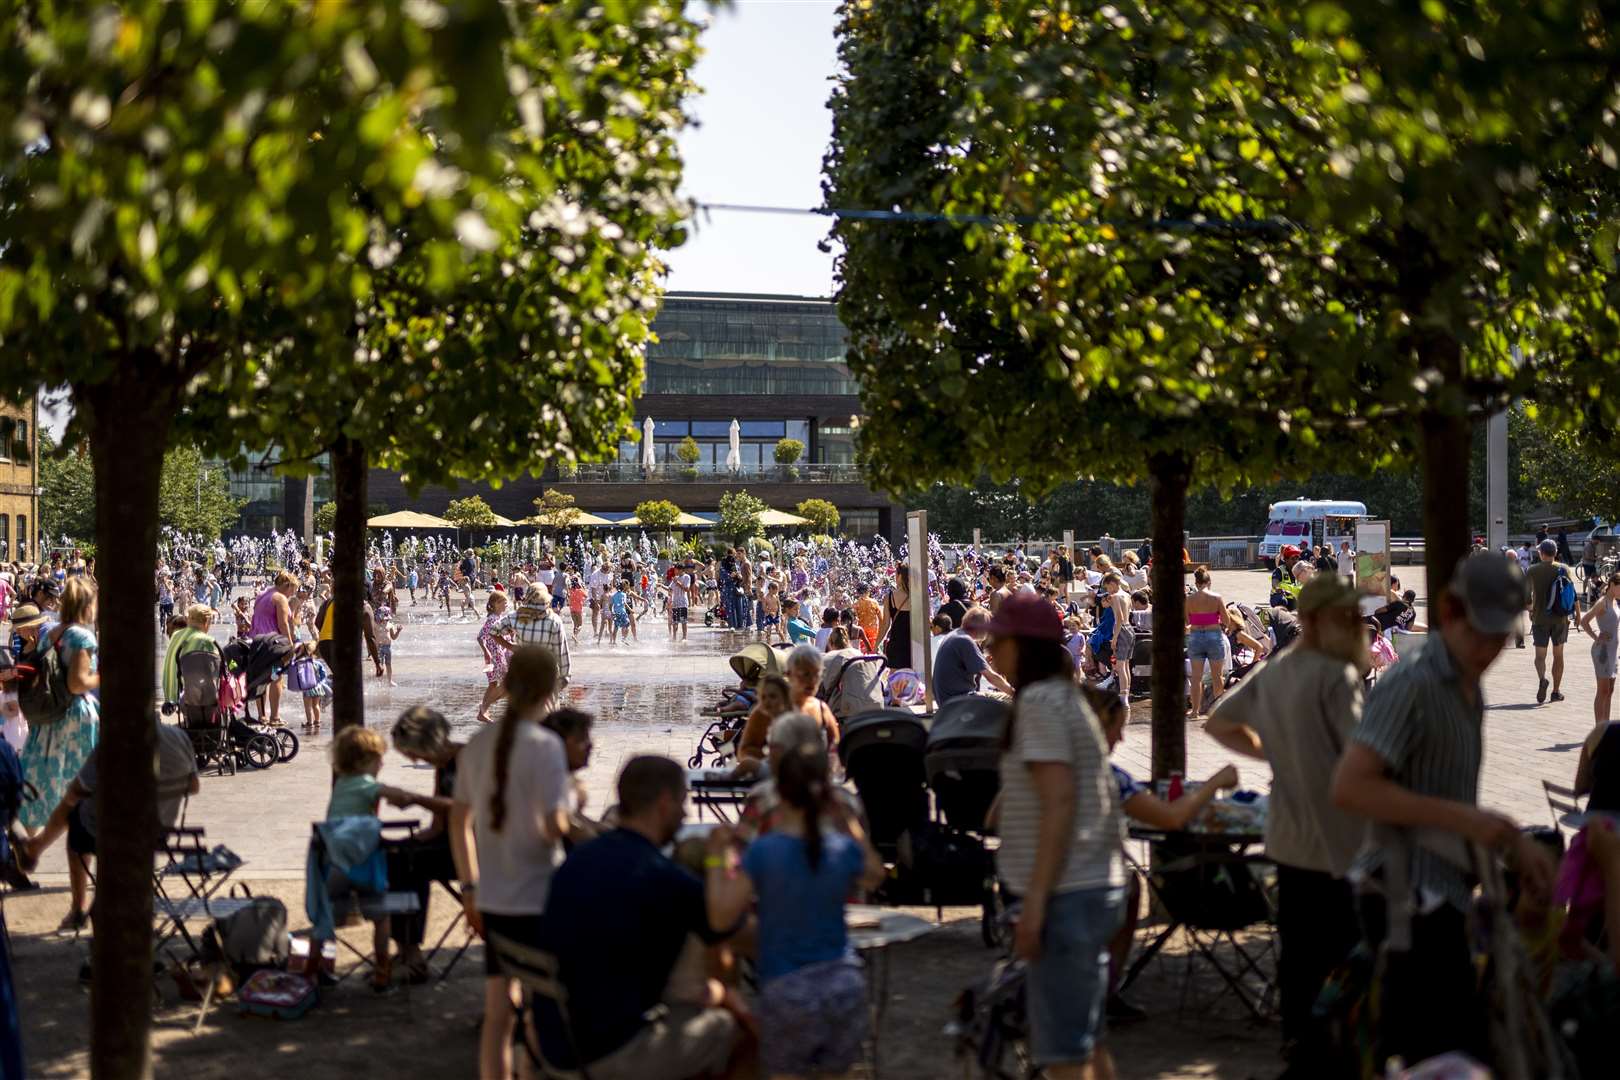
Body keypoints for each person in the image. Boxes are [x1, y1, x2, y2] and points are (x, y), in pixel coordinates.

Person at [1331, 554, 1556, 1070]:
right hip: (1404, 899)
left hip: (1440, 895)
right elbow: (1350, 786)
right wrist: (1470, 823)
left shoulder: (1464, 684)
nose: (1490, 650)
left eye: (1501, 636)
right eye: (1482, 633)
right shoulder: (1414, 681)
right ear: (1451, 610)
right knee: (1440, 1054)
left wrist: (1506, 842)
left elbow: (1446, 798)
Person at [1203, 573, 1371, 1073]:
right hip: (1339, 841)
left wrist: (1271, 752)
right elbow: (1363, 755)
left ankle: (1299, 1048)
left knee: (1297, 956)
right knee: (1343, 957)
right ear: (1323, 620)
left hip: (1286, 838)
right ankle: (1334, 1055)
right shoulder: (1334, 677)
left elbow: (1217, 721)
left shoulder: (1278, 669)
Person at [537, 757, 742, 1080]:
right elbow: (725, 929)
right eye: (682, 803)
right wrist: (720, 858)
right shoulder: (665, 878)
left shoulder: (578, 859)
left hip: (554, 1039)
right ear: (664, 803)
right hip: (607, 1051)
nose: (685, 814)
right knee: (730, 1028)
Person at [990, 591, 1124, 1080]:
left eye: (999, 640)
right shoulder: (1066, 697)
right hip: (1090, 884)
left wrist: (1037, 904)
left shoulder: (1041, 702)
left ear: (1023, 645)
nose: (990, 651)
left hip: (1067, 892)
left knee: (1064, 1054)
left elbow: (1061, 801)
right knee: (1086, 1040)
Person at [707, 743, 885, 1079]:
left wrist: (717, 858)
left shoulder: (764, 851)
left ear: (778, 789)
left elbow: (720, 916)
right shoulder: (840, 847)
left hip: (788, 989)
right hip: (844, 985)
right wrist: (850, 824)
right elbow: (875, 874)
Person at [451, 646, 572, 1080]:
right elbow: (554, 826)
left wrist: (469, 889)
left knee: (498, 1011)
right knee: (544, 1008)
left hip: (494, 899)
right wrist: (577, 806)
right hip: (541, 894)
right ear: (548, 689)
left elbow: (458, 822)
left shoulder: (478, 745)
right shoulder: (548, 746)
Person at [1086, 687, 1237, 1021]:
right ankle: (1105, 991)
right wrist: (1214, 783)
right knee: (1128, 887)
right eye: (1117, 729)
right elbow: (1170, 818)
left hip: (1040, 882)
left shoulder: (1048, 769)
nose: (1122, 740)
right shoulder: (1108, 777)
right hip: (1088, 885)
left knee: (1130, 885)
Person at [16, 715, 200, 933]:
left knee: (75, 815)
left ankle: (76, 906)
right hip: (158, 833)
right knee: (83, 810)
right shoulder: (179, 737)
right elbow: (194, 786)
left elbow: (75, 791)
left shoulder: (116, 741)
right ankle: (37, 847)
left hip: (115, 834)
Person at [17, 579, 100, 933]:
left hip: (49, 720)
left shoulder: (53, 630)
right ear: (88, 604)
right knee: (81, 797)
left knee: (56, 791)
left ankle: (29, 847)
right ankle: (37, 847)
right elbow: (78, 683)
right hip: (75, 722)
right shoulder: (82, 636)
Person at [309, 725, 418, 991]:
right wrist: (409, 798)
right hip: (364, 865)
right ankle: (382, 969)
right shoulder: (366, 784)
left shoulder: (342, 784)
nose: (382, 762)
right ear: (364, 761)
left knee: (326, 917)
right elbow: (393, 796)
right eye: (379, 758)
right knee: (381, 917)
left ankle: (312, 970)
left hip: (332, 864)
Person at [387, 707, 464, 983]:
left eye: (412, 752)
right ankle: (407, 945)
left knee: (408, 863)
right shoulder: (444, 765)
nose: (413, 758)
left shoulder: (467, 759)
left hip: (475, 851)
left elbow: (465, 810)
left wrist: (413, 798)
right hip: (451, 841)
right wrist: (413, 838)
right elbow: (438, 824)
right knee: (397, 855)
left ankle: (411, 951)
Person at [1526, 538, 1576, 704]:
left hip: (1540, 618)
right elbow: (1572, 594)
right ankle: (1556, 691)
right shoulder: (1564, 569)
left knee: (1540, 656)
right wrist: (1577, 614)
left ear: (1541, 553)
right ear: (1555, 553)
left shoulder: (1532, 570)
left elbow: (1526, 598)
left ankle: (1542, 679)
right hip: (1560, 619)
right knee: (1558, 655)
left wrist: (1531, 610)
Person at [935, 606, 1013, 702]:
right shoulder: (965, 640)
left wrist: (983, 661)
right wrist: (1014, 693)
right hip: (959, 701)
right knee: (1010, 699)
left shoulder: (955, 635)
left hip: (948, 700)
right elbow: (991, 677)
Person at [250, 571, 297, 724]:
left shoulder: (262, 594)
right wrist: (290, 646)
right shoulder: (280, 598)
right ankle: (274, 717)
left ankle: (262, 716)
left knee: (261, 679)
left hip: (257, 642)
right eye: (293, 590)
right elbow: (283, 624)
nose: (292, 594)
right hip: (273, 645)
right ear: (287, 585)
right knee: (276, 678)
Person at [511, 585, 571, 696]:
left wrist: (510, 646)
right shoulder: (554, 620)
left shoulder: (516, 616)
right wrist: (565, 676)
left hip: (524, 672)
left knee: (527, 708)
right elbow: (561, 651)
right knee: (547, 708)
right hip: (547, 674)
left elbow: (494, 630)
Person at [1185, 567, 1226, 718]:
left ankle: (1195, 711)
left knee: (1196, 677)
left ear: (1196, 583)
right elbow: (1226, 620)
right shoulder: (1217, 597)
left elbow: (1188, 620)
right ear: (1209, 582)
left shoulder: (1189, 599)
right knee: (1217, 676)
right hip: (1214, 635)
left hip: (1195, 636)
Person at [1579, 572, 1620, 726]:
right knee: (1602, 691)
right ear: (1613, 585)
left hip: (1613, 651)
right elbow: (1584, 621)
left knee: (1610, 690)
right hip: (1602, 651)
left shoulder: (1614, 601)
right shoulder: (1603, 602)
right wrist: (1596, 637)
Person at [160, 604, 221, 705]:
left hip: (170, 692)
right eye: (211, 620)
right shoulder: (205, 640)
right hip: (188, 695)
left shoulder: (176, 635)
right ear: (206, 621)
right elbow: (218, 663)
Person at [475, 591, 518, 725]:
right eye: (504, 602)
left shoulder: (499, 618)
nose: (507, 604)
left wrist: (512, 635)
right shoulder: (493, 619)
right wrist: (487, 652)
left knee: (494, 684)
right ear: (495, 604)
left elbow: (505, 637)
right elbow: (480, 636)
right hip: (496, 656)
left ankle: (483, 711)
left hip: (500, 655)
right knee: (508, 685)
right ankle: (485, 709)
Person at [878, 564, 914, 672]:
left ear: (899, 576)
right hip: (914, 643)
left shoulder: (890, 597)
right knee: (915, 681)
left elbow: (885, 624)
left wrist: (876, 645)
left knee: (895, 680)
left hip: (896, 643)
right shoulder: (917, 596)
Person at [669, 564, 693, 642]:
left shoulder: (687, 577)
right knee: (675, 622)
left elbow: (686, 589)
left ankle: (684, 637)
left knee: (683, 621)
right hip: (675, 603)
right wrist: (661, 586)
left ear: (681, 570)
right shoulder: (675, 578)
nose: (675, 571)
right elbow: (670, 589)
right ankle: (674, 638)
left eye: (676, 569)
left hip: (683, 602)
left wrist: (677, 582)